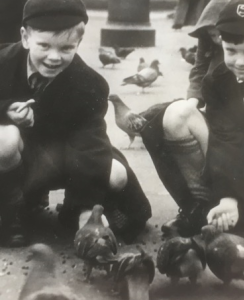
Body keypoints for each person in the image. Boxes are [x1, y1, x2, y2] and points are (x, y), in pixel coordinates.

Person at [142, 0, 244, 255]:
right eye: (231, 50)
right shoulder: (218, 81)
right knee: (176, 114)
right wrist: (228, 197)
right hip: (233, 169)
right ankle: (213, 206)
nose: (240, 61)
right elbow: (224, 141)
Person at [0, 0, 151, 247]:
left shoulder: (90, 84)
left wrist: (86, 208)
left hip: (69, 157)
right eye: (44, 45)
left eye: (66, 48)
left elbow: (89, 145)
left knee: (116, 175)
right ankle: (11, 211)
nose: (54, 57)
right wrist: (5, 110)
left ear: (79, 44)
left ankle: (73, 211)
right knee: (4, 138)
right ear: (25, 37)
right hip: (21, 158)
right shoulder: (3, 62)